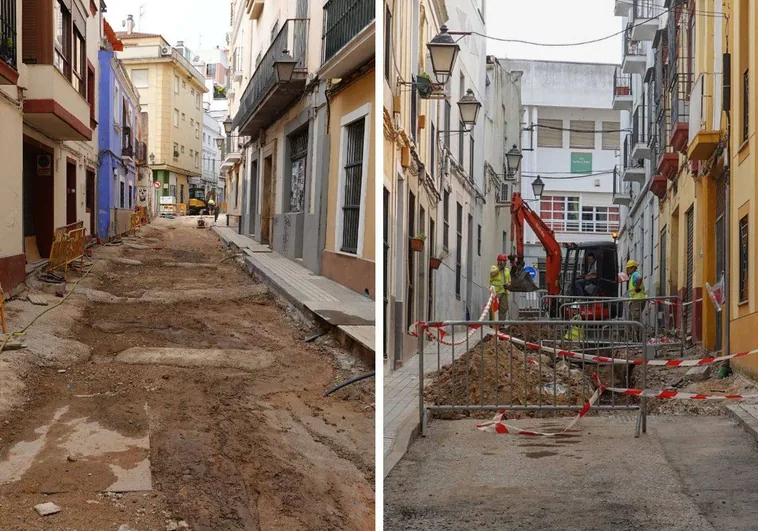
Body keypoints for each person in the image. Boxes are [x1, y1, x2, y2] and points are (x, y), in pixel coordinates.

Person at [626, 260, 647, 341]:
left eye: (628, 268)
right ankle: (637, 338)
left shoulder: (635, 274)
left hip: (638, 300)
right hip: (636, 300)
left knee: (636, 319)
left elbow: (639, 278)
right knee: (635, 319)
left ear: (633, 268)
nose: (627, 270)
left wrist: (637, 288)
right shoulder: (632, 277)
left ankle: (638, 340)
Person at [490, 254, 512, 324]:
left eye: (504, 261)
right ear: (498, 261)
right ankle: (492, 323)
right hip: (495, 292)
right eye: (501, 261)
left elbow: (509, 281)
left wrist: (508, 285)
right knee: (493, 308)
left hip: (504, 291)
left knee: (504, 308)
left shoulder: (507, 270)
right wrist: (499, 269)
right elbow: (493, 274)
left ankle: (501, 324)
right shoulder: (494, 267)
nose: (502, 262)